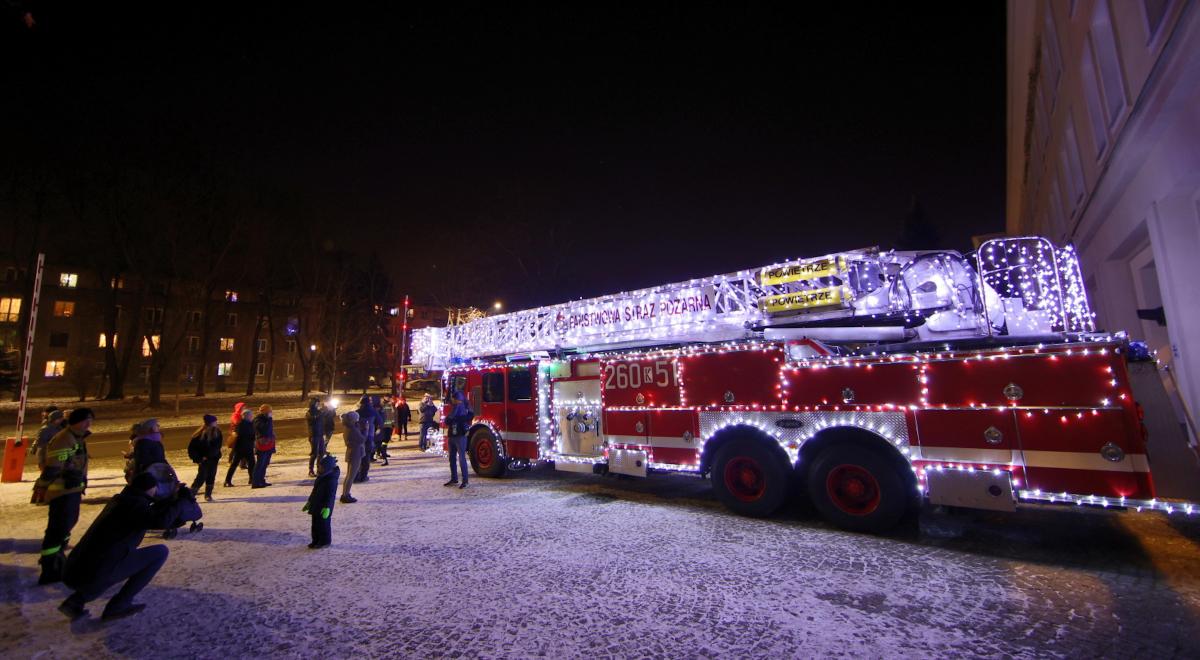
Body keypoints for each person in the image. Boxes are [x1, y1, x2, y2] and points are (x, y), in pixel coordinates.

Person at [57, 471, 183, 622]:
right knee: (159, 553)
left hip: (80, 567)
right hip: (95, 569)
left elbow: (151, 511)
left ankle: (76, 601)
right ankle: (119, 605)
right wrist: (180, 502)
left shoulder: (123, 500)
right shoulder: (135, 505)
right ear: (150, 489)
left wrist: (171, 499)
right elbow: (160, 521)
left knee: (117, 560)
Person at [32, 407, 93, 585]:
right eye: (85, 420)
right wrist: (42, 487)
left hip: (72, 491)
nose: (88, 423)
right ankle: (49, 568)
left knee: (66, 526)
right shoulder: (64, 439)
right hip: (62, 492)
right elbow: (53, 467)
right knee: (57, 529)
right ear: (75, 422)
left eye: (91, 420)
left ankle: (57, 559)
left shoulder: (77, 437)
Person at [303, 454, 340, 549]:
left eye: (320, 467)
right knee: (315, 524)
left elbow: (330, 496)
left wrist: (327, 507)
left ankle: (324, 541)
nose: (318, 469)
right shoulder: (320, 477)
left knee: (323, 524)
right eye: (318, 467)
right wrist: (309, 502)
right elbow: (314, 491)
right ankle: (315, 540)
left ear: (327, 468)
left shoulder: (331, 480)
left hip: (324, 506)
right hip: (316, 504)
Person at [187, 415, 223, 502]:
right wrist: (199, 458)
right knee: (201, 476)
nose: (216, 423)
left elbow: (217, 446)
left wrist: (215, 454)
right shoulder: (199, 434)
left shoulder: (217, 432)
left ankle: (208, 494)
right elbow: (192, 448)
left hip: (213, 459)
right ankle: (191, 493)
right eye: (215, 422)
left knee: (211, 475)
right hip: (204, 460)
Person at [444, 392, 471, 489]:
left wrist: (456, 419)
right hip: (453, 434)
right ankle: (456, 478)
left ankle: (464, 480)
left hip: (459, 434)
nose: (452, 400)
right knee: (454, 457)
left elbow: (448, 420)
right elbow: (448, 420)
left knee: (460, 458)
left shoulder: (461, 407)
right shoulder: (457, 407)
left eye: (453, 399)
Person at [224, 408, 256, 487]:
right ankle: (227, 481)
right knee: (235, 464)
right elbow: (240, 436)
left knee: (251, 464)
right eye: (251, 415)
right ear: (246, 416)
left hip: (247, 447)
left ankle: (252, 479)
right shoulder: (241, 424)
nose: (252, 417)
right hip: (241, 448)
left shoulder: (249, 424)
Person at [340, 411, 364, 504]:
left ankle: (345, 493)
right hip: (355, 453)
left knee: (349, 475)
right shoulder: (352, 429)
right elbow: (362, 439)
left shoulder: (349, 427)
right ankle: (345, 495)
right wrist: (365, 430)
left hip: (352, 453)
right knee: (351, 476)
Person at [251, 404, 275, 488]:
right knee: (260, 464)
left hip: (268, 444)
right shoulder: (258, 419)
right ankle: (256, 482)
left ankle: (261, 480)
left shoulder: (266, 419)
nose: (271, 413)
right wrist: (269, 419)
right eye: (269, 411)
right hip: (262, 444)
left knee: (264, 464)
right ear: (265, 411)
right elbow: (265, 429)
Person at [305, 397, 325, 477]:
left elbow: (326, 417)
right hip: (314, 435)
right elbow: (314, 419)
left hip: (320, 435)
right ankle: (311, 470)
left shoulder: (319, 411)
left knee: (321, 452)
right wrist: (322, 412)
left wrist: (330, 410)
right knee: (314, 453)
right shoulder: (309, 412)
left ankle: (319, 469)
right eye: (317, 403)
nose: (318, 404)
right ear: (313, 403)